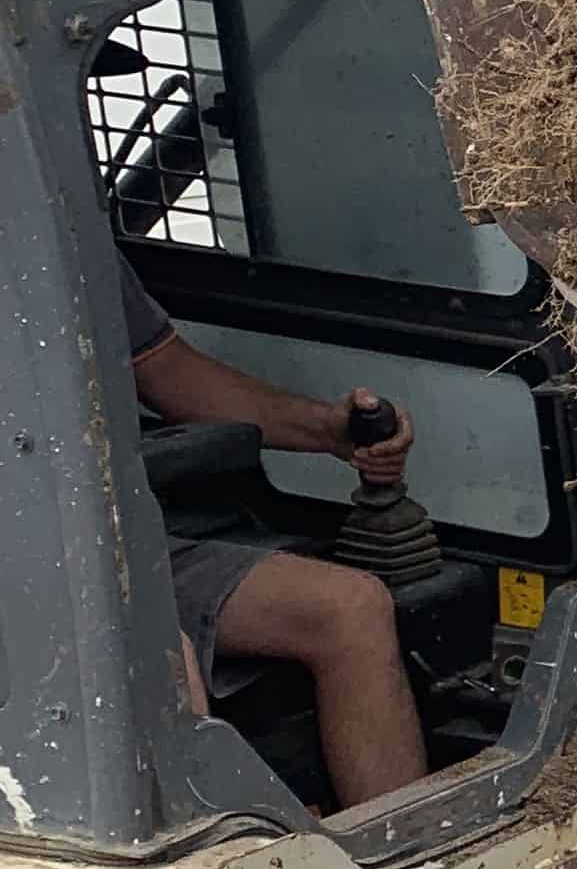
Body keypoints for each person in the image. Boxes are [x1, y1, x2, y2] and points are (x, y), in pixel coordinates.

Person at [113, 244, 431, 804]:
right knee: (163, 656)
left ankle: (408, 866)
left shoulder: (61, 241)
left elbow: (170, 372)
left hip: (111, 531)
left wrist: (328, 431)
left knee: (350, 608)